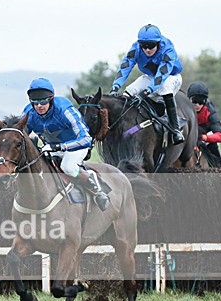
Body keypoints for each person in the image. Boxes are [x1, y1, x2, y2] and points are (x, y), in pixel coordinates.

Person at [23, 78, 109, 211]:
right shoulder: (29, 113)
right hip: (51, 148)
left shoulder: (65, 110)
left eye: (43, 101)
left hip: (77, 146)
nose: (39, 106)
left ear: (51, 99)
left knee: (67, 167)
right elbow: (20, 135)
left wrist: (60, 147)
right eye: (35, 102)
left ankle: (96, 188)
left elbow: (86, 139)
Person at [110, 24, 185, 145]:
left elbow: (161, 75)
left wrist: (145, 92)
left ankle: (175, 129)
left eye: (151, 46)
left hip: (171, 76)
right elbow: (125, 66)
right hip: (150, 76)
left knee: (164, 88)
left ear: (158, 43)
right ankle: (124, 127)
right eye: (144, 46)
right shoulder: (136, 48)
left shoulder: (168, 48)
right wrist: (115, 87)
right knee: (129, 91)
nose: (147, 50)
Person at [187, 81, 221, 168]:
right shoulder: (184, 109)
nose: (197, 105)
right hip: (190, 137)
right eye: (194, 101)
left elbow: (220, 135)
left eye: (201, 101)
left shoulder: (210, 110)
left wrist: (204, 138)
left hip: (204, 136)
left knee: (213, 146)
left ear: (205, 101)